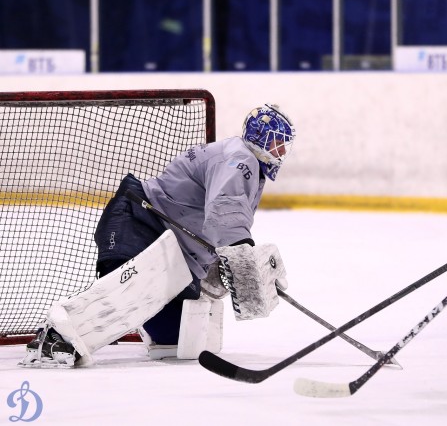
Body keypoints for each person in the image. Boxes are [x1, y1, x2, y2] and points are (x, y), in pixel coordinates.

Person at [19, 103, 296, 368]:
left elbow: (209, 221)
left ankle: (145, 328)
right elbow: (225, 212)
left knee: (175, 339)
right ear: (258, 136)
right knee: (130, 293)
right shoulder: (240, 159)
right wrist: (242, 260)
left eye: (284, 144)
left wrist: (214, 267)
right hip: (141, 221)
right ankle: (55, 337)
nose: (281, 150)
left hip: (169, 244)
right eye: (276, 141)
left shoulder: (243, 161)